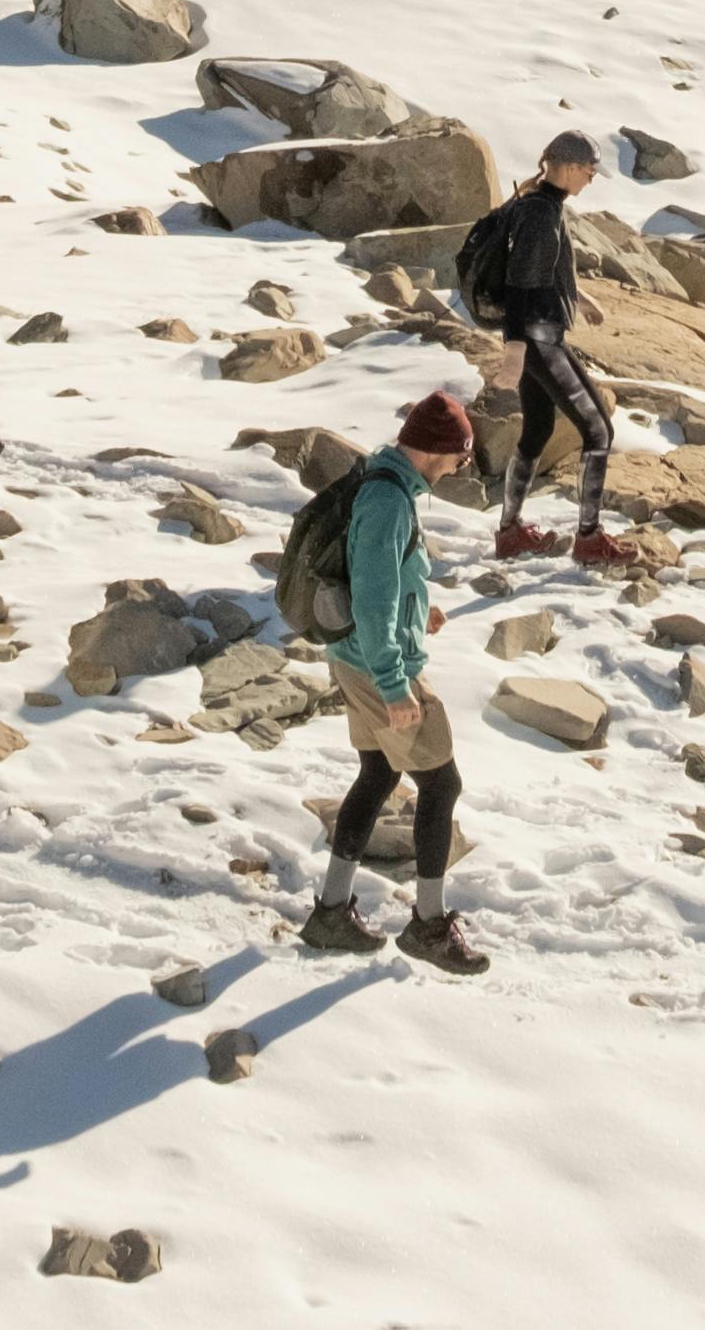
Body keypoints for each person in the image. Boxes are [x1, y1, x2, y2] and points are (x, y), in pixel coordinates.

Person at [306, 389, 487, 973]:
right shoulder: (388, 501)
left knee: (379, 772)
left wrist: (419, 607)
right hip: (376, 665)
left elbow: (388, 582)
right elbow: (374, 597)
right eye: (462, 457)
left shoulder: (386, 486)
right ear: (441, 452)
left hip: (354, 655)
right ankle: (429, 927)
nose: (463, 467)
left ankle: (331, 912)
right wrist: (394, 684)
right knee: (442, 785)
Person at [454, 129, 634, 570]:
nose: (590, 180)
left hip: (537, 334)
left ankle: (510, 532)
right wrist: (515, 350)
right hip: (537, 338)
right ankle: (589, 539)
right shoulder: (540, 212)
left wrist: (579, 298)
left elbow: (545, 269)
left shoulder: (535, 203)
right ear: (571, 168)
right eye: (590, 172)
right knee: (599, 431)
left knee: (537, 429)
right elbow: (520, 284)